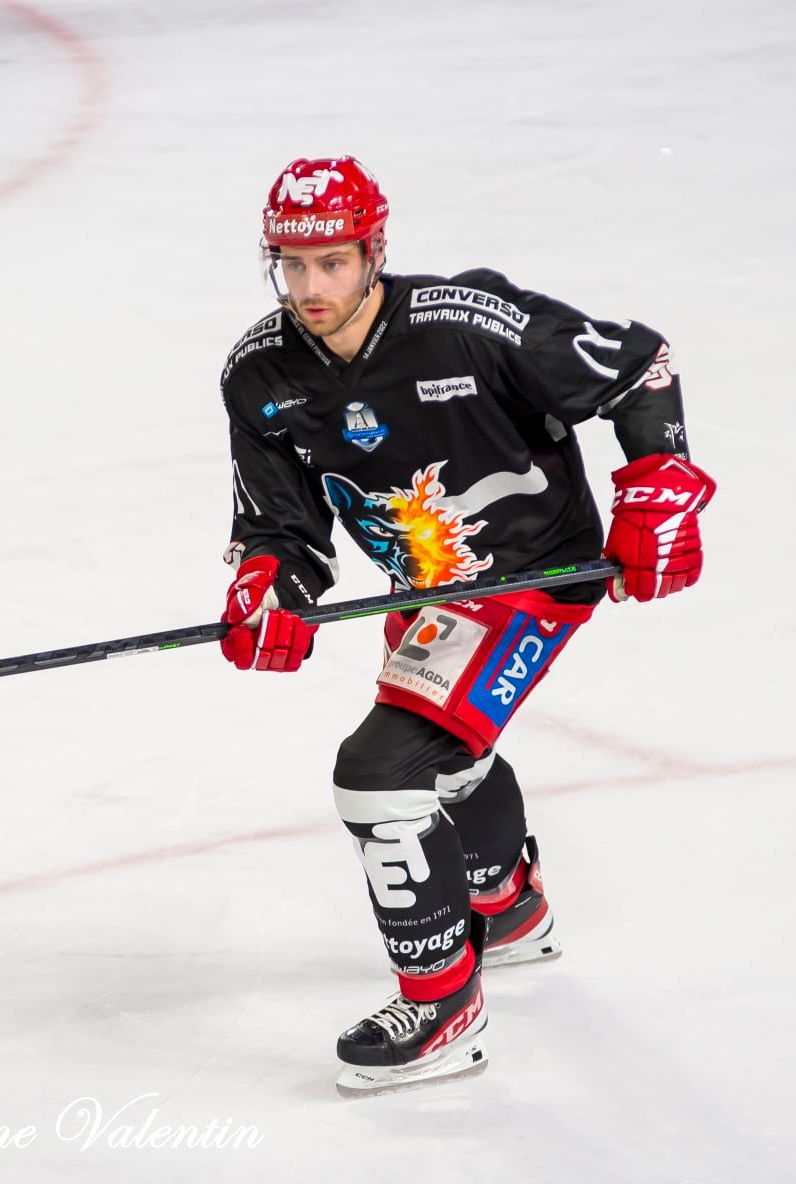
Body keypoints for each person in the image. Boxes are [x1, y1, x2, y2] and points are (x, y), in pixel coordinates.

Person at [216, 156, 716, 1096]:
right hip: (423, 588)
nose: (310, 286)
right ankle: (508, 906)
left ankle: (443, 1006)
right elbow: (278, 521)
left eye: (332, 262)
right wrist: (268, 581)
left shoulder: (465, 322)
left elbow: (639, 362)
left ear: (373, 250)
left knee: (380, 773)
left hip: (535, 569)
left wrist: (659, 486)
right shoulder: (259, 374)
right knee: (446, 756)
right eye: (291, 264)